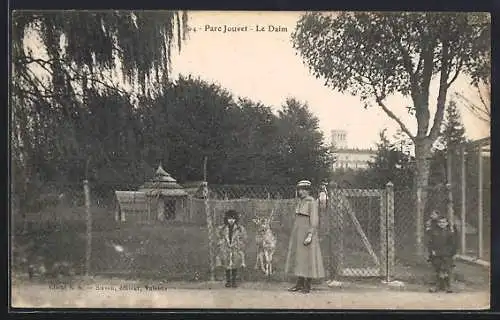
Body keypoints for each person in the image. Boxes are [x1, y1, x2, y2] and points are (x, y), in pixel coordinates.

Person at [285, 180, 325, 293]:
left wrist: (310, 234)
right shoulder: (300, 202)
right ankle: (299, 283)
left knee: (309, 258)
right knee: (299, 259)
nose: (300, 192)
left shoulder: (311, 202)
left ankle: (307, 284)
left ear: (308, 191)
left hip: (307, 232)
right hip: (298, 233)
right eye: (299, 189)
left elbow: (314, 219)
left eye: (302, 189)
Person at [215, 210, 248, 288]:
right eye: (229, 219)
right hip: (226, 247)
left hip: (235, 247)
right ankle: (228, 281)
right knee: (227, 264)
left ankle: (233, 281)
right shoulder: (222, 228)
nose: (231, 220)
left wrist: (239, 244)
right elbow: (218, 236)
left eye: (233, 219)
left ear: (235, 219)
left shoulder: (240, 228)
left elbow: (244, 238)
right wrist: (221, 243)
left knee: (235, 264)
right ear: (226, 219)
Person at [427, 215, 458, 293]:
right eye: (440, 222)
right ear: (437, 223)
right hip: (436, 254)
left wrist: (452, 253)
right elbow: (430, 243)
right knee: (438, 269)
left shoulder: (450, 233)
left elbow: (453, 245)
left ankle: (448, 286)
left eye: (444, 222)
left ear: (447, 223)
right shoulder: (434, 232)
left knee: (446, 270)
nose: (442, 224)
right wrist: (432, 251)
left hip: (446, 254)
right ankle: (437, 286)